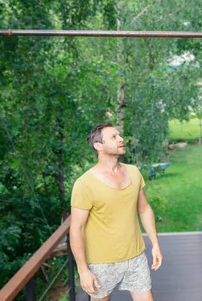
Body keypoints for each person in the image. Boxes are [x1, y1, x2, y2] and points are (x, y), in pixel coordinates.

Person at [70, 123, 163, 301]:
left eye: (119, 135)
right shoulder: (84, 184)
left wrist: (155, 244)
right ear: (99, 146)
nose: (121, 139)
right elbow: (76, 229)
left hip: (136, 256)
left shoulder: (134, 172)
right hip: (101, 262)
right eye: (113, 137)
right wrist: (83, 270)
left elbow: (144, 209)